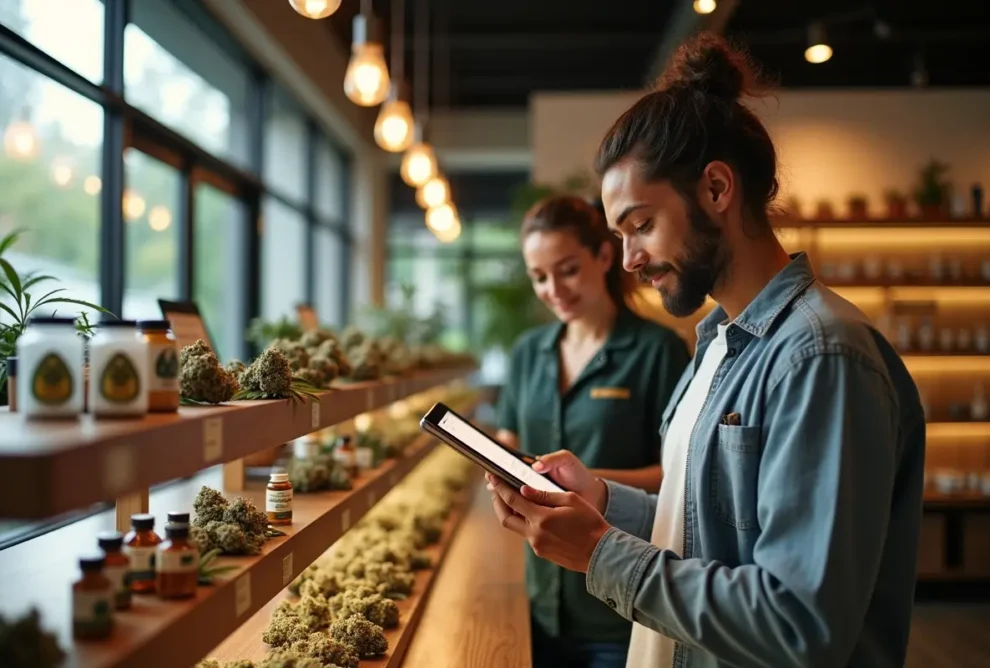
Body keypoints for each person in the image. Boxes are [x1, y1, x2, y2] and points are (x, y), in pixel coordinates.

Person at [487, 33, 925, 668]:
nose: (629, 259)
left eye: (642, 225)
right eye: (620, 234)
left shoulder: (822, 356)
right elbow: (700, 529)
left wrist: (600, 553)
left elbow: (799, 624)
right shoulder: (718, 345)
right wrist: (601, 501)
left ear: (717, 189)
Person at [494, 194, 690, 668]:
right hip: (541, 601)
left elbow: (679, 479)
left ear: (604, 256)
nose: (554, 290)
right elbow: (509, 437)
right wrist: (500, 464)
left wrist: (582, 486)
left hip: (618, 606)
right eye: (539, 277)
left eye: (567, 270)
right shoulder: (527, 352)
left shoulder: (658, 351)